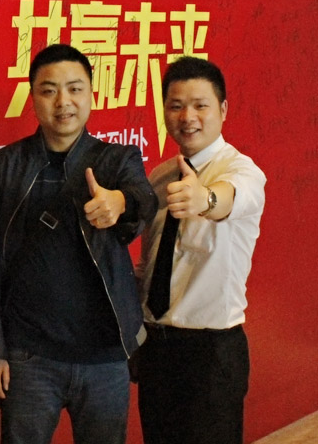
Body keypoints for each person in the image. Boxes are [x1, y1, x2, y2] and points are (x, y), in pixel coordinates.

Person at [0, 43, 157, 444]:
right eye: (49, 90)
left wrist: (119, 202)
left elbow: (144, 199)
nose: (63, 102)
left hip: (105, 357)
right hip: (28, 356)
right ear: (32, 96)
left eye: (75, 89)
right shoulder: (3, 167)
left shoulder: (117, 159)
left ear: (91, 93)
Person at [134, 57, 266, 444]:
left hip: (211, 352)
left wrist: (204, 199)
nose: (187, 117)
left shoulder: (241, 171)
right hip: (157, 348)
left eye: (200, 105)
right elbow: (150, 264)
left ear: (222, 110)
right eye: (176, 106)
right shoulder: (161, 177)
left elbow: (227, 198)